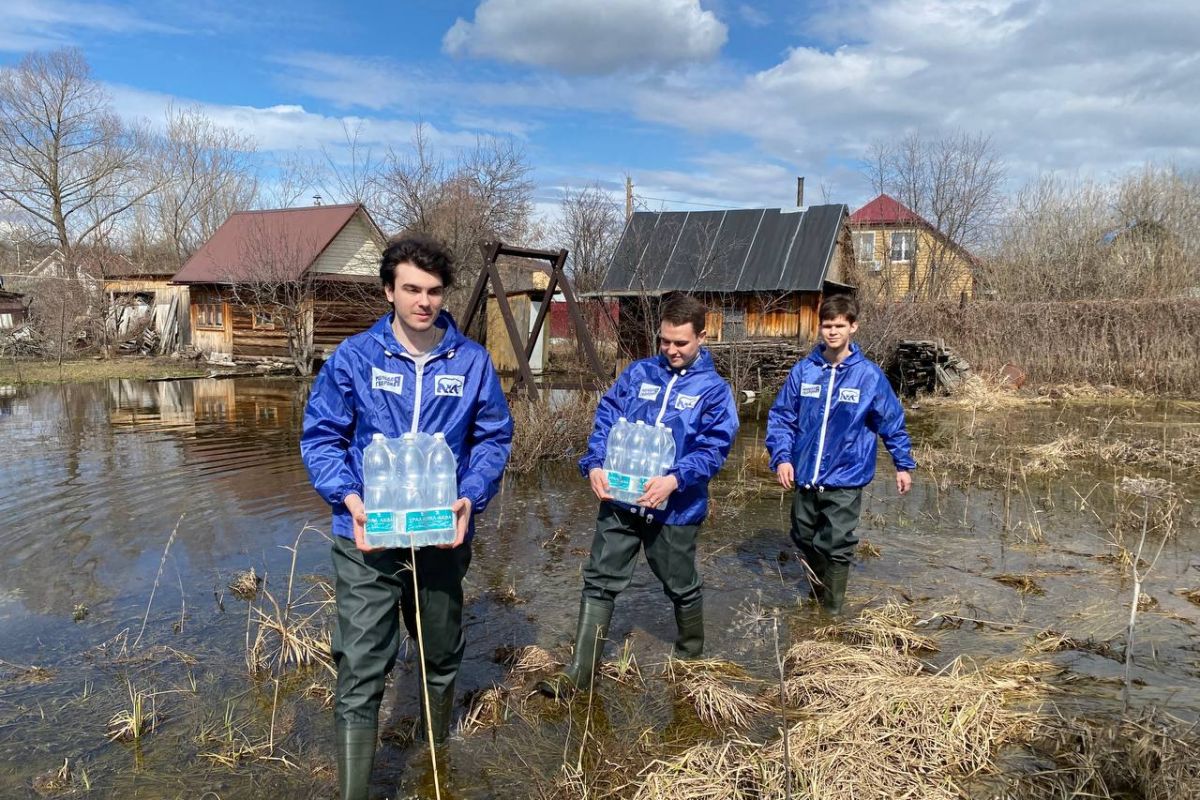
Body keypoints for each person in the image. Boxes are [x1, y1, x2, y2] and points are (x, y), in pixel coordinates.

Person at [301, 235, 512, 800]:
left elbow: (492, 437)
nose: (424, 301)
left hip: (443, 536)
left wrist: (471, 495)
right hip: (367, 537)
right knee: (362, 666)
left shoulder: (470, 362)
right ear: (389, 290)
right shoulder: (354, 358)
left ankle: (436, 756)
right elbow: (322, 437)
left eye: (435, 291)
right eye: (412, 289)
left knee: (440, 649)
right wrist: (348, 498)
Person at [538, 292, 739, 700]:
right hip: (621, 499)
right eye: (664, 341)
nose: (671, 350)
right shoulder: (638, 374)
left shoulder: (714, 392)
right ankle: (580, 673)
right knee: (599, 579)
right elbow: (607, 417)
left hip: (675, 508)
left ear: (702, 336)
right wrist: (594, 462)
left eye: (681, 342)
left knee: (678, 583)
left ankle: (690, 655)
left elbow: (714, 448)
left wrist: (676, 479)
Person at [765, 293, 914, 615]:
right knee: (804, 538)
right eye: (826, 325)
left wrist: (902, 464)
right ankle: (818, 592)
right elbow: (781, 418)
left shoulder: (869, 376)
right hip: (805, 474)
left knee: (835, 543)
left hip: (846, 476)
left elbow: (891, 421)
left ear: (853, 327)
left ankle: (830, 613)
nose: (832, 332)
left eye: (839, 326)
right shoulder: (804, 372)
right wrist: (782, 458)